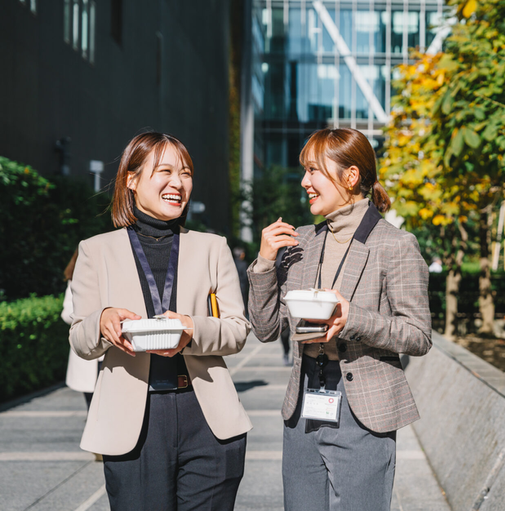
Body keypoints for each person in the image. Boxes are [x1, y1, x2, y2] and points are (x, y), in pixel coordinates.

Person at [248, 128, 432, 511]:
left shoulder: (395, 245)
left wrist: (354, 318)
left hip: (363, 409)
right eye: (305, 171)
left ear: (350, 177)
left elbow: (418, 335)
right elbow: (266, 329)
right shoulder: (300, 243)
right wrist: (264, 263)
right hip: (302, 405)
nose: (304, 182)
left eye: (314, 171)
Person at [69, 132, 252, 511]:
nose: (178, 183)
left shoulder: (212, 247)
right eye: (165, 171)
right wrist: (102, 320)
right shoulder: (95, 250)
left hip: (207, 418)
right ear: (131, 180)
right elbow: (80, 341)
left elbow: (237, 329)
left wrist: (191, 329)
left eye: (185, 173)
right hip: (132, 423)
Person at [61, 249, 100, 410]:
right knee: (92, 406)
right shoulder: (75, 281)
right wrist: (93, 317)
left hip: (112, 350)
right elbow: (66, 312)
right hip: (89, 348)